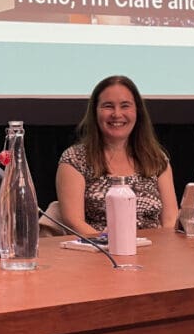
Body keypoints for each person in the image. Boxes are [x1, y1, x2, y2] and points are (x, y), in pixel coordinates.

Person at [56, 75, 179, 235]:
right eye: (108, 106)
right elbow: (74, 222)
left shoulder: (156, 159)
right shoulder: (74, 159)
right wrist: (113, 246)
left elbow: (170, 220)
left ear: (137, 112)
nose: (117, 114)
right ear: (95, 113)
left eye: (125, 106)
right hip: (98, 254)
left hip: (154, 253)